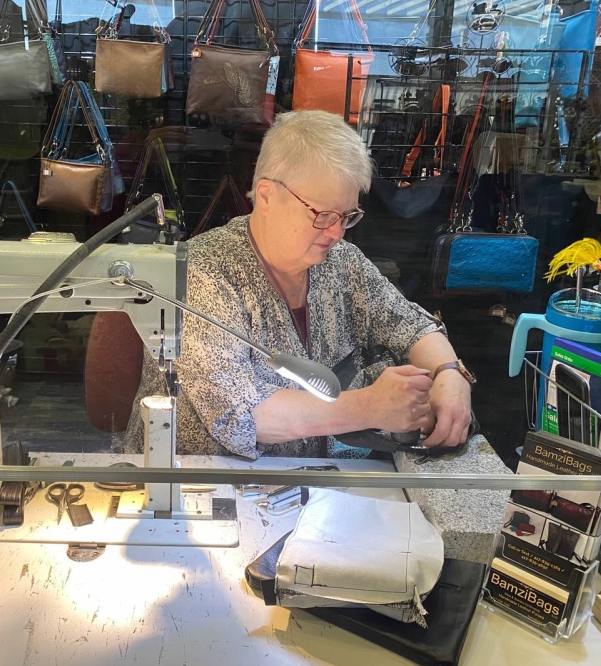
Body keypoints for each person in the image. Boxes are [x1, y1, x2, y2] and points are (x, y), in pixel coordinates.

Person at [127, 110, 472, 459]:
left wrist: (449, 374)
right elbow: (242, 415)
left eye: (347, 216)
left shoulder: (341, 262)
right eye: (322, 215)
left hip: (315, 481)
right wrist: (369, 406)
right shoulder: (203, 273)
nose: (336, 233)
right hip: (200, 478)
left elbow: (411, 327)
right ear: (266, 196)